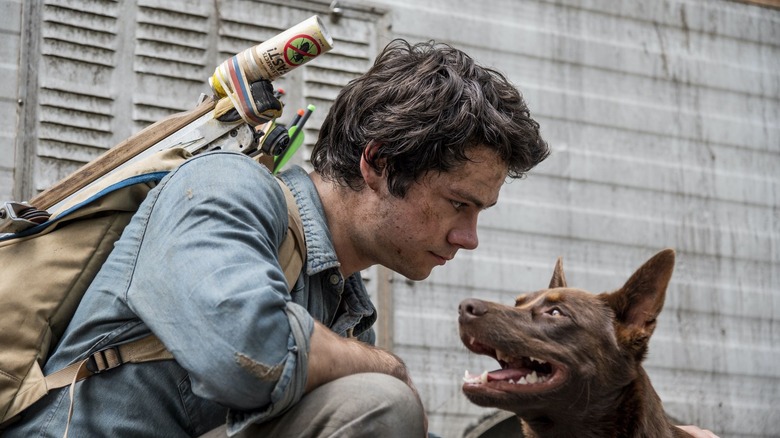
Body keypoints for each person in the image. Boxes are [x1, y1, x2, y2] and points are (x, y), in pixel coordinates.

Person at [3, 40, 718, 438]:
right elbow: (242, 353)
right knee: (380, 402)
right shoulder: (224, 189)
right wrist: (384, 364)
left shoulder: (340, 301)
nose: (469, 239)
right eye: (459, 205)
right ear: (378, 165)